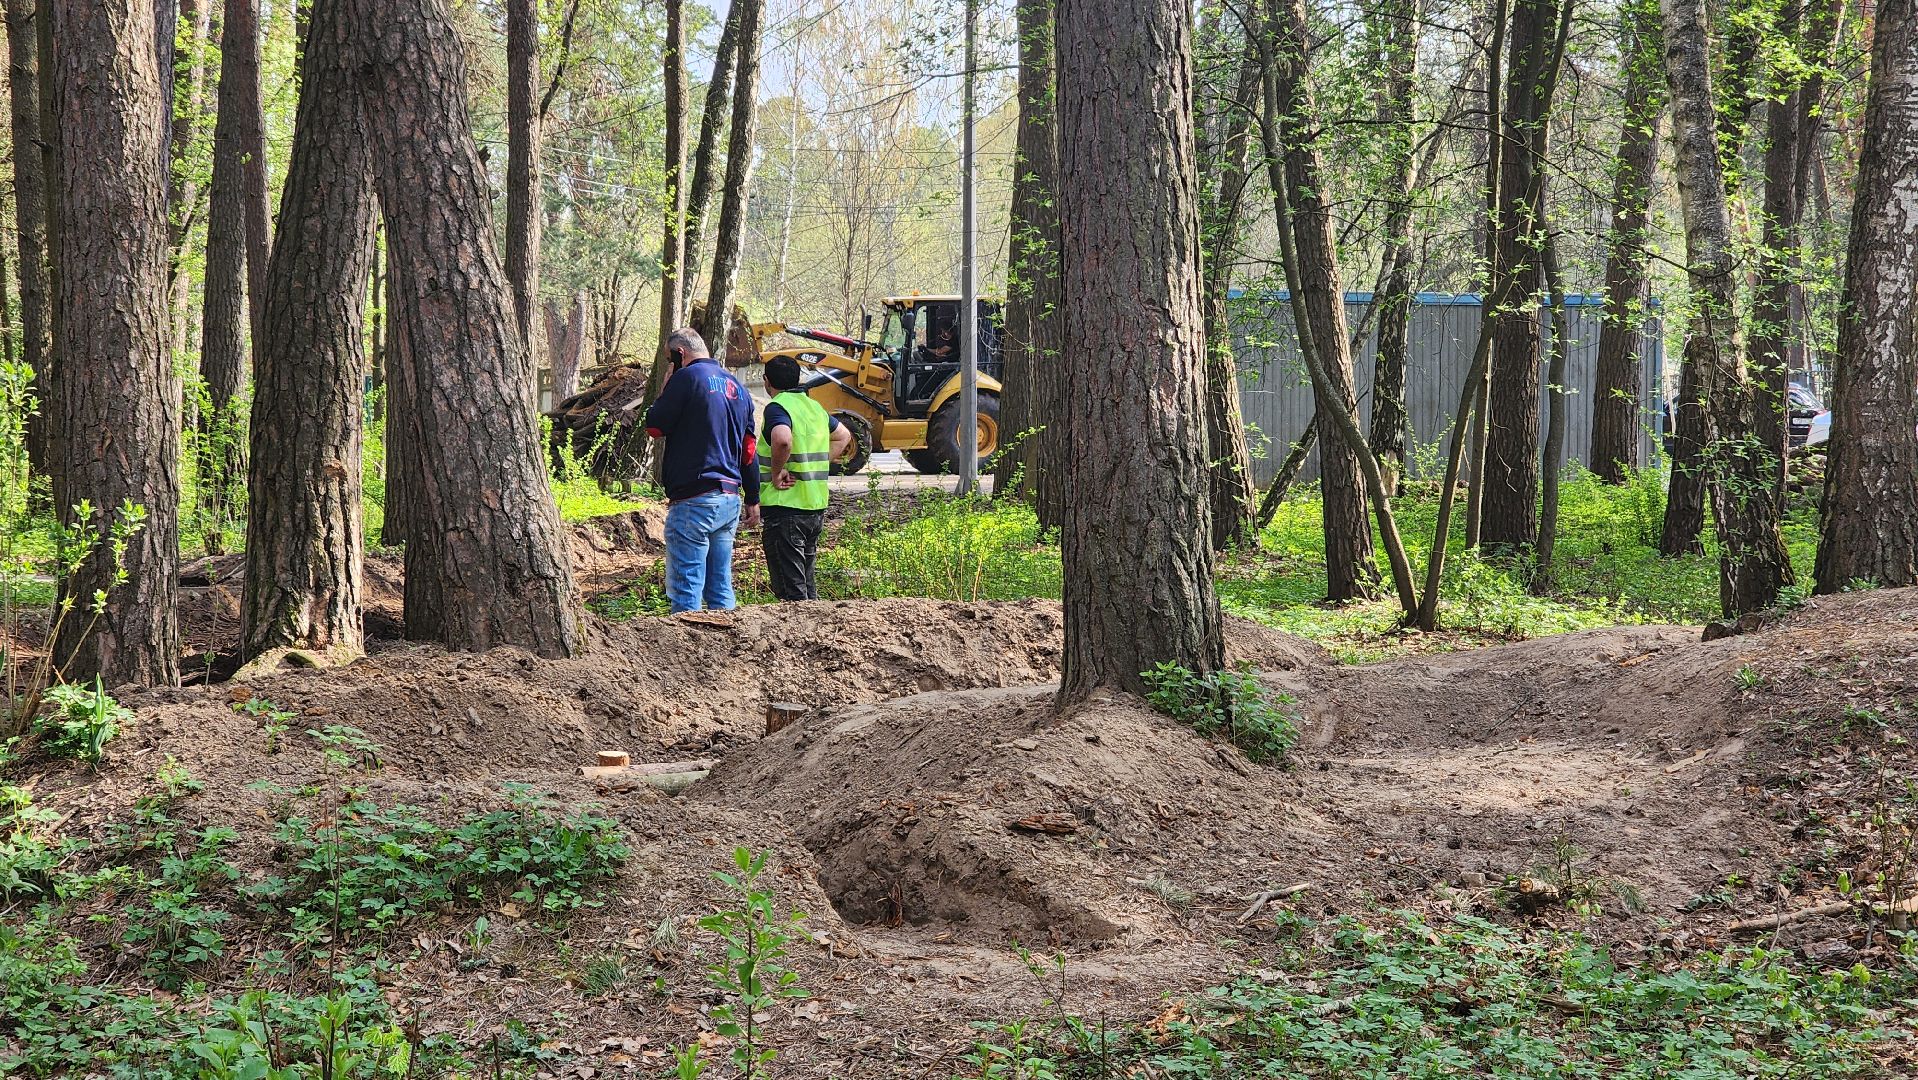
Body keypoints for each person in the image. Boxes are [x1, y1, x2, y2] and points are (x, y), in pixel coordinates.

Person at [644, 328, 760, 613]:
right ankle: (729, 650)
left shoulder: (685, 378)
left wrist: (664, 390)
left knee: (686, 590)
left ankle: (684, 654)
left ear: (679, 354)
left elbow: (654, 427)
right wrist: (753, 498)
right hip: (729, 498)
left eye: (670, 358)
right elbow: (748, 451)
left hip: (694, 499)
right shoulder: (738, 388)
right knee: (720, 587)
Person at [759, 355, 854, 600]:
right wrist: (817, 464)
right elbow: (843, 436)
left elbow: (782, 439)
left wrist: (777, 471)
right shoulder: (814, 407)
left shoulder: (778, 407)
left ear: (767, 381)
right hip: (814, 508)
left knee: (792, 592)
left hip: (785, 508)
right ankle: (817, 632)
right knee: (807, 586)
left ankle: (798, 636)